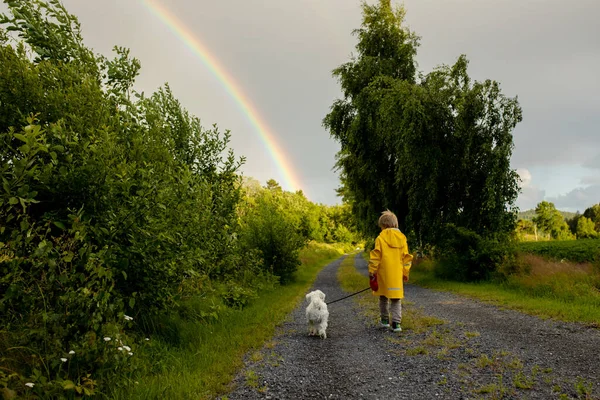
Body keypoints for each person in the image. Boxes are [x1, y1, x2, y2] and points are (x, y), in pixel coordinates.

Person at [368, 210, 413, 332]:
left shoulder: (380, 238)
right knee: (396, 298)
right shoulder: (402, 238)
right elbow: (406, 258)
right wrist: (405, 272)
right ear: (395, 224)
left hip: (383, 274)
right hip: (396, 274)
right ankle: (396, 324)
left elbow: (375, 256)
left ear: (383, 225)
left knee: (383, 297)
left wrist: (372, 271)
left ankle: (384, 321)